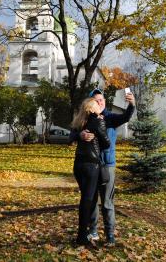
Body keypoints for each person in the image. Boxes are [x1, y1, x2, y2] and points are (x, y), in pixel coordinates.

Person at [71, 88, 135, 247]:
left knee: (106, 202)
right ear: (91, 103)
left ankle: (110, 234)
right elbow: (72, 135)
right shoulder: (84, 119)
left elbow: (126, 117)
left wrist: (132, 104)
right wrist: (80, 136)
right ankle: (92, 230)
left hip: (106, 165)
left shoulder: (109, 117)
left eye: (102, 100)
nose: (100, 102)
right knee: (91, 200)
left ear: (105, 103)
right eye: (96, 100)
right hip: (91, 166)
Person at [70, 98, 111, 247]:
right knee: (87, 201)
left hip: (78, 165)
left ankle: (85, 232)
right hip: (91, 166)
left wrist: (80, 135)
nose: (101, 106)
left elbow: (70, 137)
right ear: (92, 109)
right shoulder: (97, 120)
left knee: (88, 199)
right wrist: (101, 125)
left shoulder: (78, 121)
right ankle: (81, 236)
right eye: (97, 104)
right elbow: (107, 143)